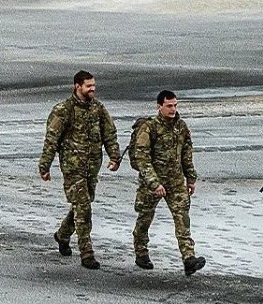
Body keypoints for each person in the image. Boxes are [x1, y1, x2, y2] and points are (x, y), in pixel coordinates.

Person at [39, 70, 121, 270]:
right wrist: (45, 165)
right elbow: (51, 140)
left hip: (92, 167)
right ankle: (87, 253)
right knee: (83, 208)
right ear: (77, 86)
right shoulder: (63, 110)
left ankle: (63, 235)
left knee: (81, 206)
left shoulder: (98, 109)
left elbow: (109, 133)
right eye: (88, 86)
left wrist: (114, 156)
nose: (92, 89)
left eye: (93, 85)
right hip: (73, 167)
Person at [132, 90, 205, 276]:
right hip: (152, 182)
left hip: (175, 181)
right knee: (145, 218)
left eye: (175, 105)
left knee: (182, 217)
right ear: (159, 106)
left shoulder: (181, 127)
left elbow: (186, 154)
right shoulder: (149, 128)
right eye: (169, 106)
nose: (173, 109)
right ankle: (141, 251)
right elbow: (142, 158)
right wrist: (154, 183)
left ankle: (189, 258)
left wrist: (191, 178)